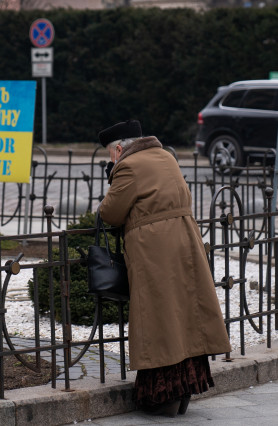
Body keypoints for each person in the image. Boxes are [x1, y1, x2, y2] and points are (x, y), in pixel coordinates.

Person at [97, 120, 231, 417]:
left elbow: (111, 213)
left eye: (109, 155)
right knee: (183, 316)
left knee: (159, 320)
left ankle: (163, 398)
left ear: (119, 149)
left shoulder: (128, 166)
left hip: (154, 249)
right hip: (185, 242)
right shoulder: (165, 156)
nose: (110, 160)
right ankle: (183, 392)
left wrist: (111, 179)